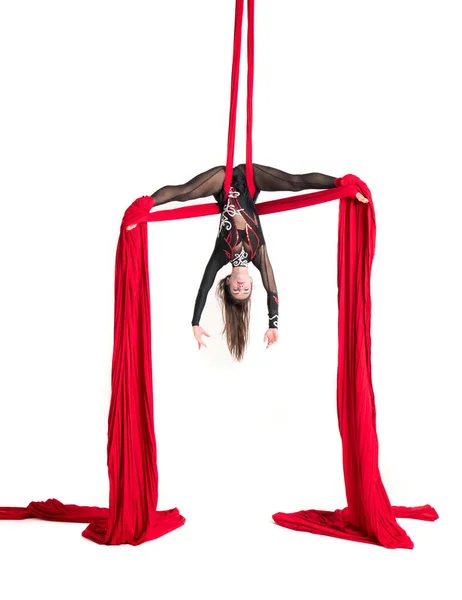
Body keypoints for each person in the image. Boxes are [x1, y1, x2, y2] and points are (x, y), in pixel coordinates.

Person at [127, 163, 368, 361]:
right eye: (246, 290)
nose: (241, 287)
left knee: (185, 192)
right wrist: (273, 323)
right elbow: (272, 288)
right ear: (252, 282)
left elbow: (204, 287)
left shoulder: (221, 255)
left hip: (222, 184)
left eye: (236, 289)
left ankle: (145, 206)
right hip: (251, 180)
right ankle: (344, 188)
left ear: (229, 281)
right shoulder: (258, 254)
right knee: (294, 182)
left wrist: (195, 322)